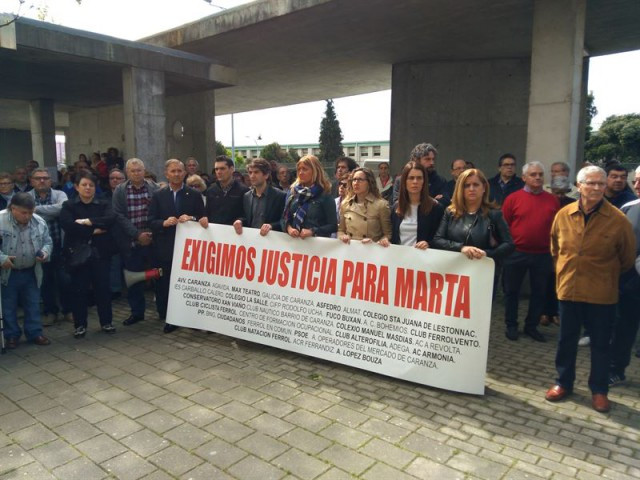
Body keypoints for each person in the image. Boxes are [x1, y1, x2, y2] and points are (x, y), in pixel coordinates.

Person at [545, 166, 635, 413]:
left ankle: (599, 390)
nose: (596, 188)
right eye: (591, 183)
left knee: (601, 344)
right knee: (566, 340)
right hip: (569, 290)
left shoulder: (618, 219)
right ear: (579, 185)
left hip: (602, 294)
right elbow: (555, 248)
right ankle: (563, 383)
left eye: (600, 184)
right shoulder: (563, 215)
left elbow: (627, 259)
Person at [501, 162, 560, 342]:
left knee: (539, 292)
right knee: (512, 292)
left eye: (540, 174)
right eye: (533, 174)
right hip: (516, 253)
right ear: (524, 177)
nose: (537, 177)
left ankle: (531, 326)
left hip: (542, 254)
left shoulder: (552, 200)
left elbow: (557, 229)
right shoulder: (513, 198)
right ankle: (511, 325)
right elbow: (504, 225)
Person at [149, 159, 205, 333]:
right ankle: (169, 317)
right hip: (165, 246)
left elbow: (203, 218)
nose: (176, 174)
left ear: (184, 173)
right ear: (166, 174)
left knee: (189, 283)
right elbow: (150, 221)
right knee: (166, 283)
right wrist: (163, 223)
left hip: (189, 249)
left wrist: (192, 219)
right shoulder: (158, 195)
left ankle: (191, 317)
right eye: (173, 171)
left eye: (180, 171)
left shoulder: (194, 195)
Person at [60, 171, 117, 338]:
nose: (87, 188)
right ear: (77, 187)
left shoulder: (104, 203)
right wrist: (94, 230)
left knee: (103, 290)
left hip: (101, 253)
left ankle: (106, 322)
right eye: (84, 185)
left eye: (91, 185)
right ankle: (80, 325)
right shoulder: (69, 206)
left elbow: (110, 220)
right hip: (78, 255)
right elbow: (68, 226)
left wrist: (87, 222)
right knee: (79, 290)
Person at [432, 168, 514, 268]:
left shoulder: (494, 214)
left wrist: (486, 254)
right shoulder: (450, 212)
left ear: (484, 187)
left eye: (476, 185)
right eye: (467, 185)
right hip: (455, 271)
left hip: (483, 271)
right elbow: (437, 240)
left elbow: (509, 245)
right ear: (461, 189)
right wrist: (461, 248)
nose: (471, 189)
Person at [0, 193, 52, 349]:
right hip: (8, 273)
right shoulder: (0, 221)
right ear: (12, 209)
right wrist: (2, 259)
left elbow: (47, 242)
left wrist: (45, 253)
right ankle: (11, 335)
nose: (28, 216)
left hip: (31, 271)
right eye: (24, 212)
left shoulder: (39, 221)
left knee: (33, 304)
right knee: (8, 306)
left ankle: (34, 332)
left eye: (30, 212)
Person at [112, 158, 159, 326]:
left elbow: (159, 212)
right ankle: (137, 313)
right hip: (131, 243)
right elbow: (118, 216)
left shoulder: (154, 188)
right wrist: (137, 234)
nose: (136, 173)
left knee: (158, 275)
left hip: (153, 242)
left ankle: (163, 311)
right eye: (133, 171)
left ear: (144, 171)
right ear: (127, 173)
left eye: (139, 170)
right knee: (134, 280)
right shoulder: (119, 190)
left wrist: (150, 234)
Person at [28, 168, 71, 326]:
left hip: (60, 245)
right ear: (31, 181)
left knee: (65, 280)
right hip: (39, 249)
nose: (42, 181)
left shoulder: (60, 194)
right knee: (45, 281)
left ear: (51, 180)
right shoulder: (26, 197)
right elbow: (25, 213)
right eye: (38, 178)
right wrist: (51, 212)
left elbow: (62, 208)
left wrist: (36, 210)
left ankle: (68, 310)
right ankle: (50, 311)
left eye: (45, 178)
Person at [608, 198, 640, 386]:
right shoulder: (628, 208)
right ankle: (616, 369)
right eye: (636, 180)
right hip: (631, 283)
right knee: (624, 329)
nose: (638, 184)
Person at [391, 161, 444, 248]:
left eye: (419, 178)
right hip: (399, 259)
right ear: (404, 181)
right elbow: (392, 237)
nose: (415, 182)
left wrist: (429, 244)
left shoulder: (435, 208)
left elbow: (440, 239)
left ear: (424, 181)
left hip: (424, 259)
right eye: (411, 178)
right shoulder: (396, 207)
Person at [283, 155, 337, 238]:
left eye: (305, 169)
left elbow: (333, 226)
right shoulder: (292, 192)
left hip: (316, 247)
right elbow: (283, 218)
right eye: (299, 169)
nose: (300, 172)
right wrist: (289, 228)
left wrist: (313, 231)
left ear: (315, 171)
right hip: (293, 245)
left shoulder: (324, 194)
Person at [233, 158, 286, 236]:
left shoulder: (280, 196)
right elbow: (245, 217)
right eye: (250, 172)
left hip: (271, 242)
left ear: (266, 175)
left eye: (256, 172)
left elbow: (284, 221)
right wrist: (239, 221)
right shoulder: (246, 196)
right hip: (251, 241)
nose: (252, 176)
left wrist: (271, 226)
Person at [338, 167, 391, 246]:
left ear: (369, 182)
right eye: (354, 180)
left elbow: (388, 234)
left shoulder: (381, 205)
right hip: (350, 251)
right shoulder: (345, 204)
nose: (356, 183)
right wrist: (342, 236)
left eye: (360, 180)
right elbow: (341, 230)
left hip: (371, 253)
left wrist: (377, 242)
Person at [204, 156, 249, 226]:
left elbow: (247, 215)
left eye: (222, 168)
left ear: (231, 169)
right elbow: (207, 213)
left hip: (235, 233)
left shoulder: (244, 191)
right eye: (216, 169)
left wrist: (240, 221)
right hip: (214, 233)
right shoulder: (211, 190)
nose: (218, 172)